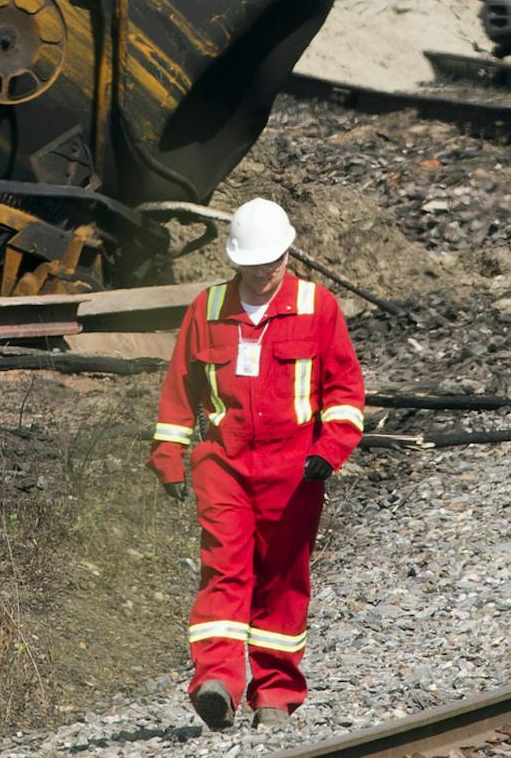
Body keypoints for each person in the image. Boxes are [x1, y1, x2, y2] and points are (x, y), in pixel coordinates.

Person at [148, 198, 367, 732]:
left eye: (270, 264)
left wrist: (329, 450)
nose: (263, 274)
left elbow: (344, 391)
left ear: (287, 256)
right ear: (234, 261)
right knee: (224, 570)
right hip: (221, 462)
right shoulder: (208, 308)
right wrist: (169, 457)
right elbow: (180, 388)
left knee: (282, 580)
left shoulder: (319, 307)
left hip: (294, 469)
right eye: (252, 265)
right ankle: (216, 682)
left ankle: (274, 694)